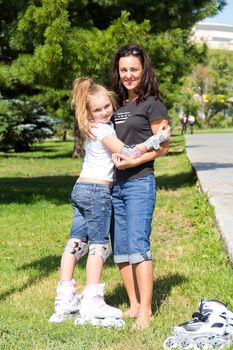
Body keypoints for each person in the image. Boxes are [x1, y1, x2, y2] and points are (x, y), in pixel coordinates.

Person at [49, 77, 170, 325]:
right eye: (98, 109)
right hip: (96, 192)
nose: (105, 112)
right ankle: (92, 299)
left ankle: (64, 299)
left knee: (74, 243)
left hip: (80, 188)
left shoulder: (89, 126)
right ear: (89, 112)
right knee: (99, 246)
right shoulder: (103, 129)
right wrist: (154, 140)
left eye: (107, 106)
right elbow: (127, 152)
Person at [109, 43, 170, 330]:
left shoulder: (152, 103)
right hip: (115, 184)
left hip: (139, 183)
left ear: (143, 70)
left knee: (138, 244)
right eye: (124, 70)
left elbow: (163, 147)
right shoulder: (117, 104)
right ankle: (133, 305)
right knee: (120, 247)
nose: (129, 75)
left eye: (134, 69)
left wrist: (132, 163)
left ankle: (146, 311)